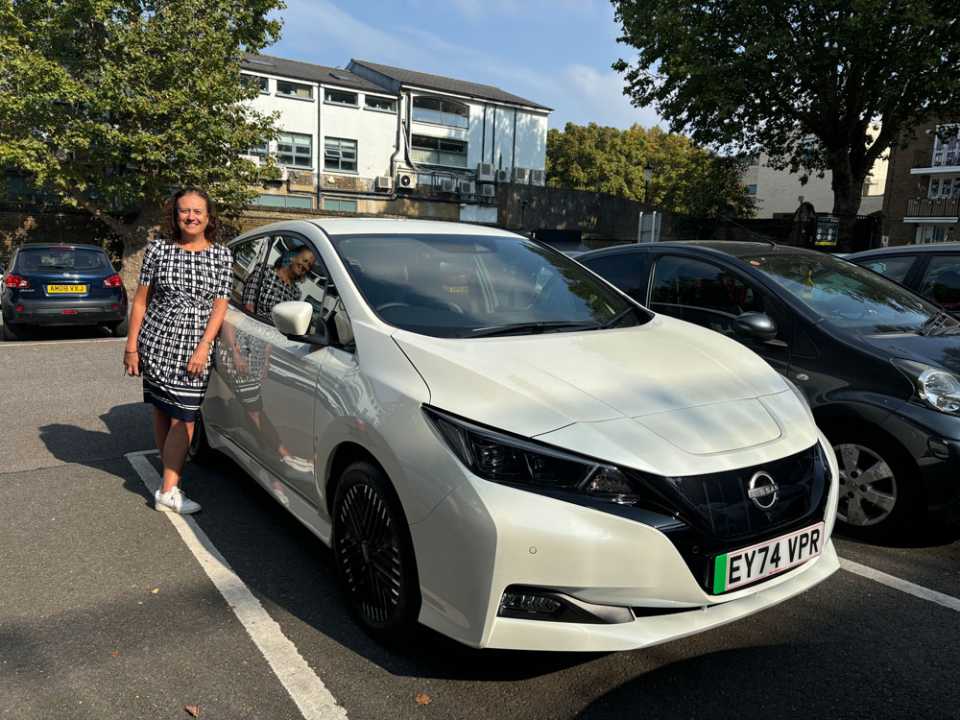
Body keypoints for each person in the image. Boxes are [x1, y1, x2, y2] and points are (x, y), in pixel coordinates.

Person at [123, 188, 232, 514]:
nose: (191, 217)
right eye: (185, 211)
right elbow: (141, 301)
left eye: (198, 211)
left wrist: (204, 346)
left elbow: (220, 307)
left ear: (208, 217)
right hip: (156, 343)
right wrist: (131, 347)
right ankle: (170, 484)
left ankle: (168, 487)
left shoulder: (221, 256)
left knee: (185, 419)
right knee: (162, 409)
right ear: (176, 215)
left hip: (193, 350)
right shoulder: (157, 249)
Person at [221, 245, 316, 473]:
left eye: (308, 266)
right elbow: (238, 315)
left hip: (264, 349)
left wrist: (265, 362)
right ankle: (284, 455)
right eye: (302, 260)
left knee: (259, 405)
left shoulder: (294, 295)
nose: (303, 267)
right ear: (291, 257)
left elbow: (276, 331)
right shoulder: (262, 274)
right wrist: (235, 353)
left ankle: (267, 449)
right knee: (254, 407)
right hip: (241, 343)